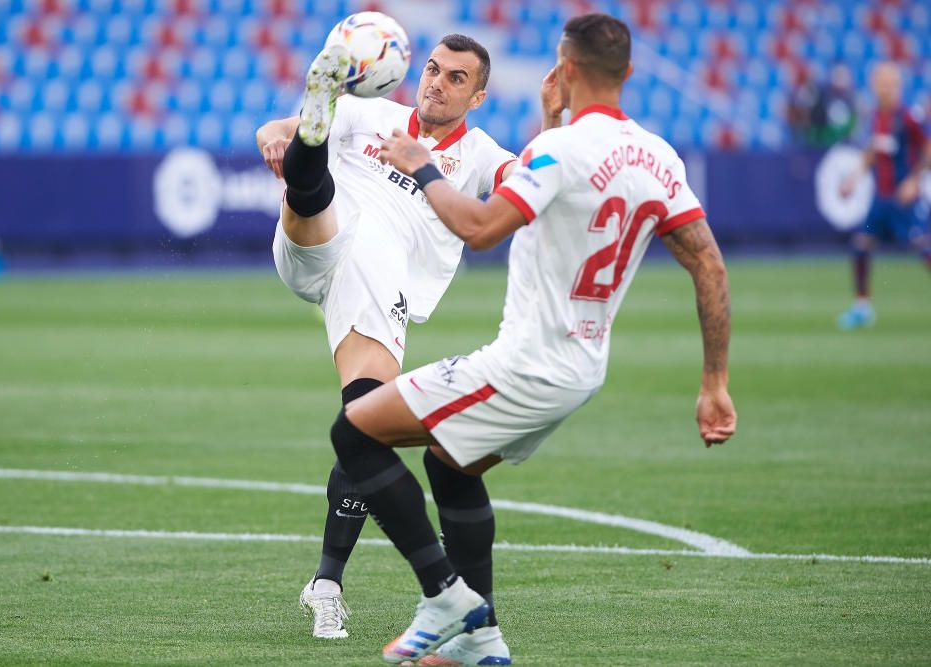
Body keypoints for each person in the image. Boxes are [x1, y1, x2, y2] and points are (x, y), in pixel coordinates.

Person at [328, 13, 737, 665]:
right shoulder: (657, 157)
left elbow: (483, 228)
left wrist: (423, 165)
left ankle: (445, 595)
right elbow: (709, 264)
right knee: (449, 464)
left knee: (354, 431)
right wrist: (714, 382)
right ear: (627, 74)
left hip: (522, 364)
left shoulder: (561, 151)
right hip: (581, 370)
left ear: (565, 69)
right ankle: (480, 639)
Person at [255, 34, 521, 640]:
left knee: (364, 416)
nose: (437, 82)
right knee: (312, 174)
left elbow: (523, 176)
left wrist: (555, 125)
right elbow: (271, 127)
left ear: (477, 96)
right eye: (432, 69)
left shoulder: (479, 155)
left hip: (376, 282)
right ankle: (311, 138)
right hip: (315, 242)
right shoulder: (369, 111)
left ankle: (326, 584)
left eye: (457, 78)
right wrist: (274, 134)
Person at [838, 61, 931, 330]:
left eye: (889, 83)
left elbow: (928, 149)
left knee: (924, 250)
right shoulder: (877, 115)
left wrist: (914, 181)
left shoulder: (909, 116)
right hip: (880, 200)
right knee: (860, 245)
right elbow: (873, 149)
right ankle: (862, 308)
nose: (884, 88)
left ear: (898, 86)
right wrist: (855, 177)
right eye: (880, 83)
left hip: (905, 200)